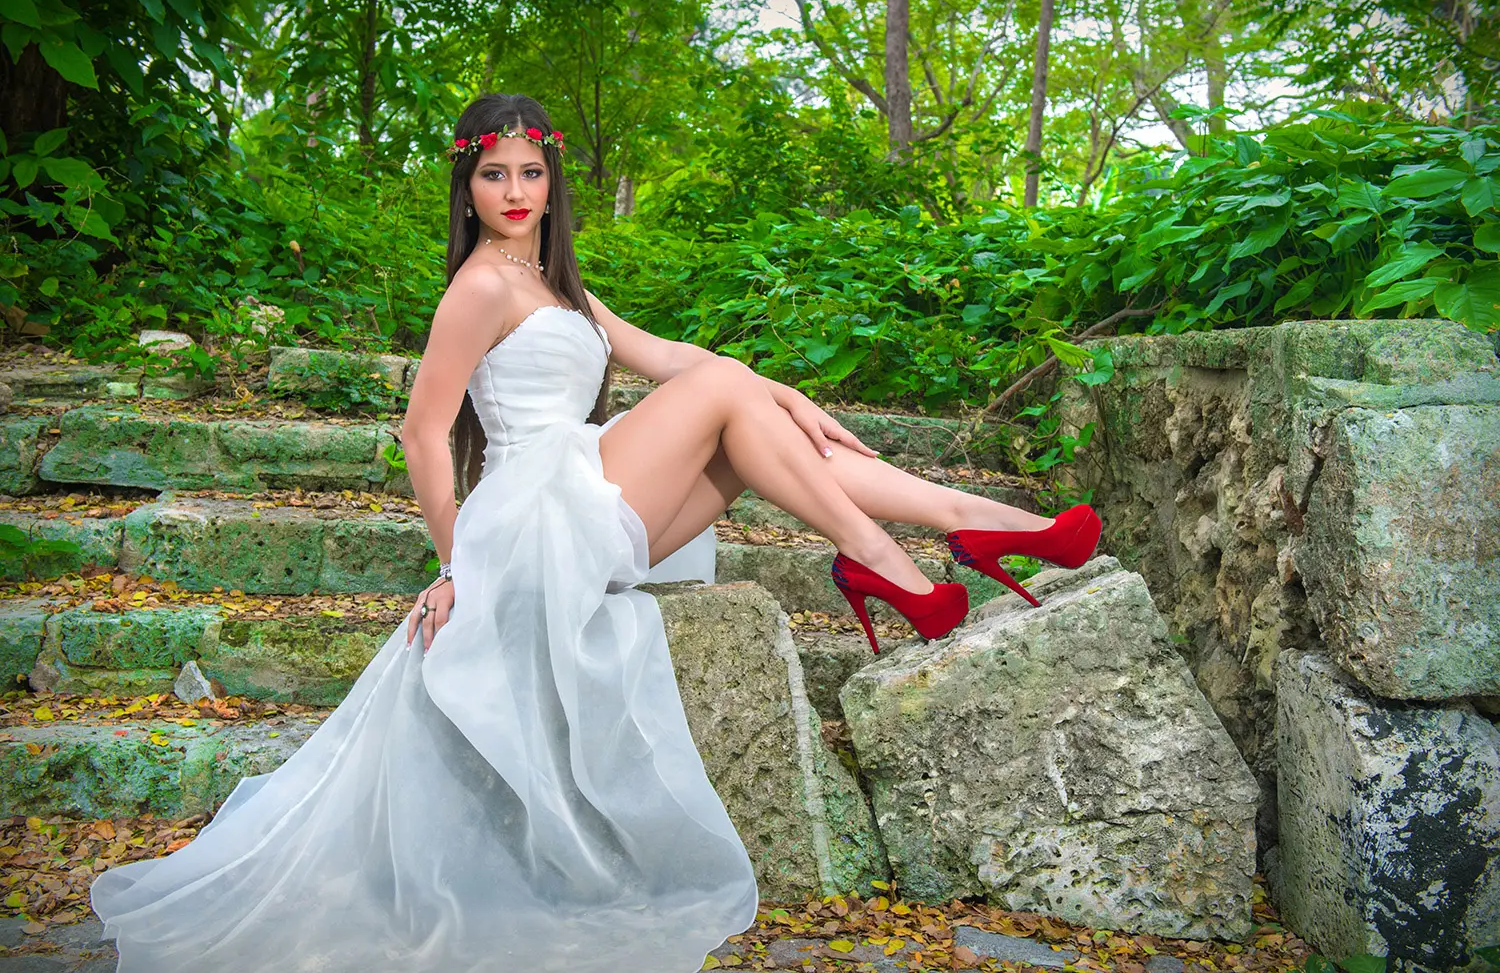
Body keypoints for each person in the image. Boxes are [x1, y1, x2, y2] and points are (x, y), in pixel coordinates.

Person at [89, 92, 1101, 973]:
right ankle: (888, 558)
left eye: (531, 172)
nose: (515, 191)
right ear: (467, 186)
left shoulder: (556, 279)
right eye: (494, 174)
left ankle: (986, 523)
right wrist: (454, 565)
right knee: (728, 397)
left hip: (586, 503)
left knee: (747, 421)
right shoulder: (479, 285)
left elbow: (664, 354)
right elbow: (422, 432)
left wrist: (787, 394)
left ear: (552, 182)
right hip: (531, 514)